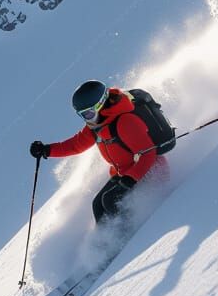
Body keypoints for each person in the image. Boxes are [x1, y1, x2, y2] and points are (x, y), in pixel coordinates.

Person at [30, 80, 166, 223]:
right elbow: (75, 145)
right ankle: (107, 242)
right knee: (98, 205)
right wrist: (47, 150)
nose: (86, 119)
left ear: (100, 104)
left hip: (150, 171)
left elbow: (148, 154)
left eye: (88, 114)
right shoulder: (97, 126)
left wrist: (130, 179)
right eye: (82, 115)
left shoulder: (125, 121)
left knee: (110, 200)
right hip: (126, 172)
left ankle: (134, 232)